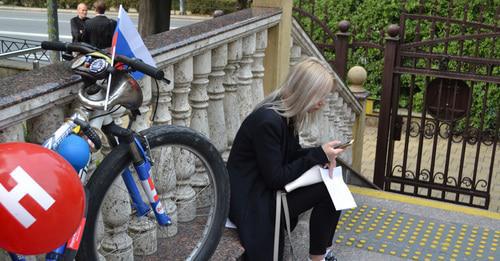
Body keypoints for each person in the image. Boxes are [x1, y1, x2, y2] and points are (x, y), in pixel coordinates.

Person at [227, 57, 345, 261]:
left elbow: (289, 156)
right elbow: (275, 178)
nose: (322, 103)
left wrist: (321, 154)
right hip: (252, 200)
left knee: (333, 183)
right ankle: (318, 257)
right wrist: (317, 155)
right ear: (305, 91)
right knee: (328, 188)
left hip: (264, 191)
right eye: (320, 96)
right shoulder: (268, 121)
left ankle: (322, 254)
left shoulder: (284, 113)